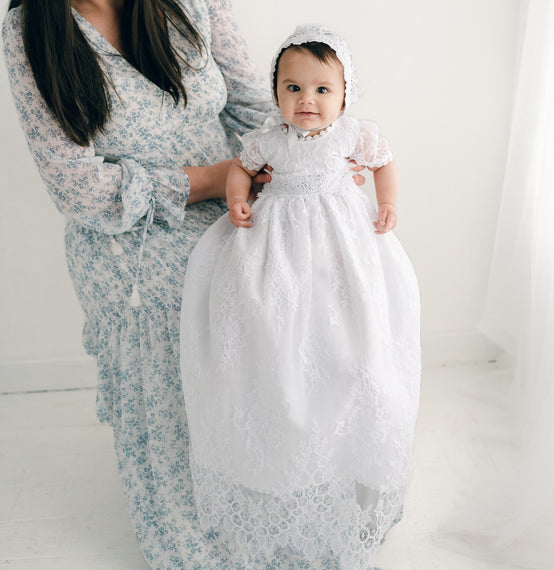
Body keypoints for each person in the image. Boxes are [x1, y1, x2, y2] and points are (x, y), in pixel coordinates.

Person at [2, 2, 368, 568]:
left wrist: (302, 169)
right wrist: (211, 180)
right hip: (133, 231)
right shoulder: (30, 30)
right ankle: (210, 507)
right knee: (202, 304)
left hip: (240, 196)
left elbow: (255, 106)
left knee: (316, 273)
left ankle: (291, 489)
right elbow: (77, 188)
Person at [179, 25, 422, 570]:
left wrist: (388, 205)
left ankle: (348, 460)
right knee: (279, 331)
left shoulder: (353, 135)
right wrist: (238, 201)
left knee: (348, 340)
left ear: (343, 94)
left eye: (320, 90)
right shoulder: (267, 141)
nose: (306, 101)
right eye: (292, 88)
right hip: (280, 250)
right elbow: (240, 171)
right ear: (276, 95)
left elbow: (385, 164)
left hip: (341, 251)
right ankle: (281, 462)